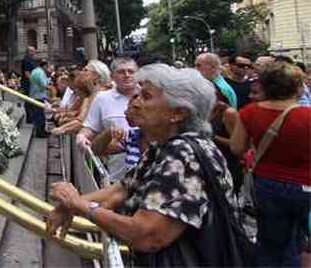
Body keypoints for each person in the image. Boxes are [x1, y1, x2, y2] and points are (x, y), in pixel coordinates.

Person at [47, 64, 245, 266]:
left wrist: (77, 203)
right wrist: (69, 206)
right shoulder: (162, 147)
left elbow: (147, 234)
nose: (135, 103)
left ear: (177, 113)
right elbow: (120, 190)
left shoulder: (183, 153)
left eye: (147, 97)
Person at [230, 61, 310, 267]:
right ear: (296, 86)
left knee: (270, 243)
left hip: (266, 184)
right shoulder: (307, 115)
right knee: (299, 241)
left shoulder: (249, 112)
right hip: (305, 186)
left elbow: (237, 148)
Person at [76, 57, 137, 181]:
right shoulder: (102, 99)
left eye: (131, 71)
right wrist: (81, 137)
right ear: (112, 76)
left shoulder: (149, 97)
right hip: (117, 176)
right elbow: (89, 128)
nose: (127, 75)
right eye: (121, 72)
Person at [29, 59, 50, 138]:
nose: (47, 68)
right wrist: (49, 85)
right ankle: (40, 132)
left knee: (37, 115)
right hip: (39, 96)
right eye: (47, 66)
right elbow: (43, 84)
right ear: (44, 66)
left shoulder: (34, 71)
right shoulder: (41, 72)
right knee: (40, 115)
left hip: (33, 95)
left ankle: (40, 131)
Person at [21, 46, 37, 124]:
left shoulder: (31, 60)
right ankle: (29, 118)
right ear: (29, 52)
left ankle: (31, 117)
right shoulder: (26, 60)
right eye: (33, 51)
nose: (34, 52)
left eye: (34, 51)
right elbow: (27, 73)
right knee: (28, 101)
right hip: (28, 84)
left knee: (31, 101)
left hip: (30, 83)